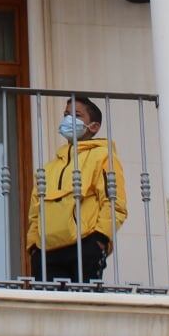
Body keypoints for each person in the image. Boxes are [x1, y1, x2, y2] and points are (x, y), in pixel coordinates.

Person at [25, 96, 128, 283]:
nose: (68, 120)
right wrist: (33, 247)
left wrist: (100, 239)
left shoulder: (103, 157)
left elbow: (114, 202)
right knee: (50, 311)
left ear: (94, 127)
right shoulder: (49, 167)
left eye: (76, 115)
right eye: (66, 114)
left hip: (85, 246)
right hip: (46, 252)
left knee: (86, 309)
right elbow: (35, 211)